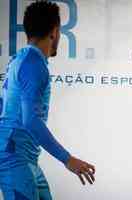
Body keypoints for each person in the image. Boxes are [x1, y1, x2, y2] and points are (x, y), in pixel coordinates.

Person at [0, 1, 95, 199]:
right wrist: (67, 159)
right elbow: (30, 121)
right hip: (15, 157)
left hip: (26, 157)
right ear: (55, 31)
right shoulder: (34, 64)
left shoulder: (22, 58)